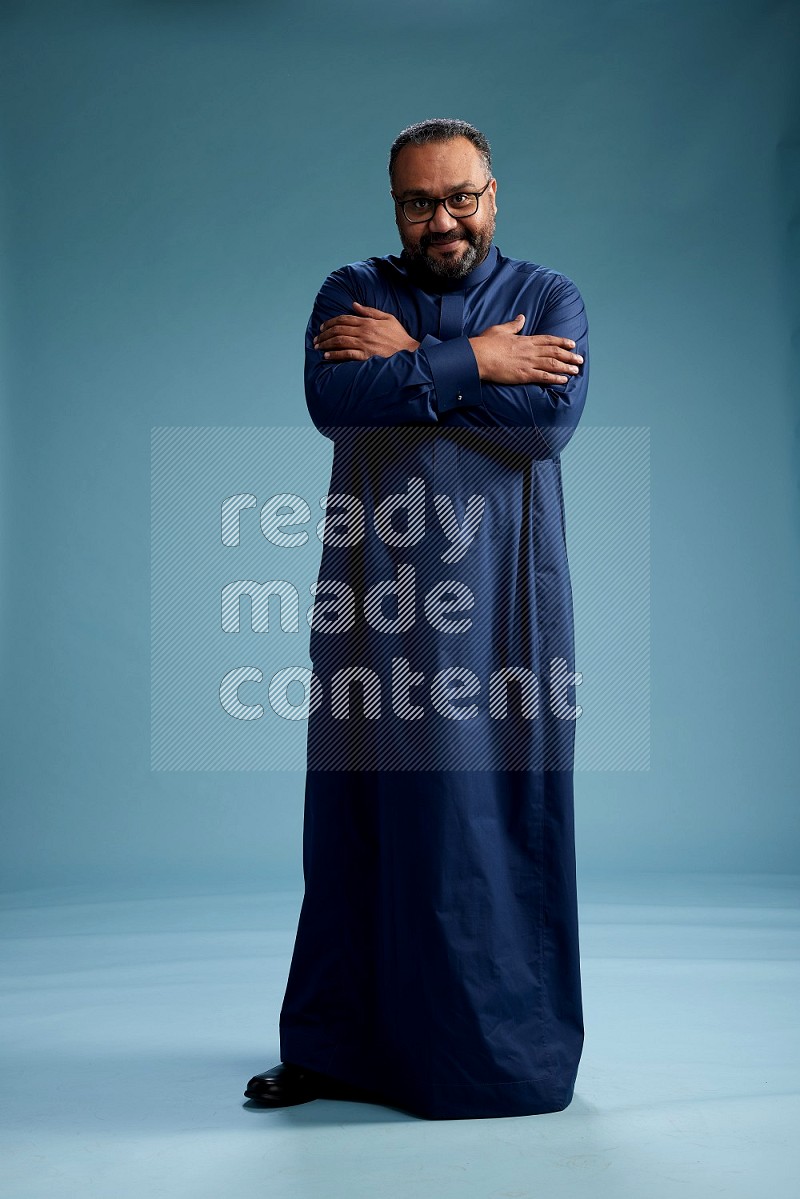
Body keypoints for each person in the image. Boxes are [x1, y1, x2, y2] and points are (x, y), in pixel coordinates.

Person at [244, 117, 589, 1120]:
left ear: (493, 193)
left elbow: (546, 426)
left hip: (502, 612)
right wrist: (477, 360)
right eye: (417, 201)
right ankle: (333, 1045)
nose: (441, 220)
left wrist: (419, 360)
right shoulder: (348, 293)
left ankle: (502, 1053)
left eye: (459, 197)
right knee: (357, 817)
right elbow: (335, 404)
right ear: (393, 204)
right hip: (373, 599)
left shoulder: (545, 297)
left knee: (489, 818)